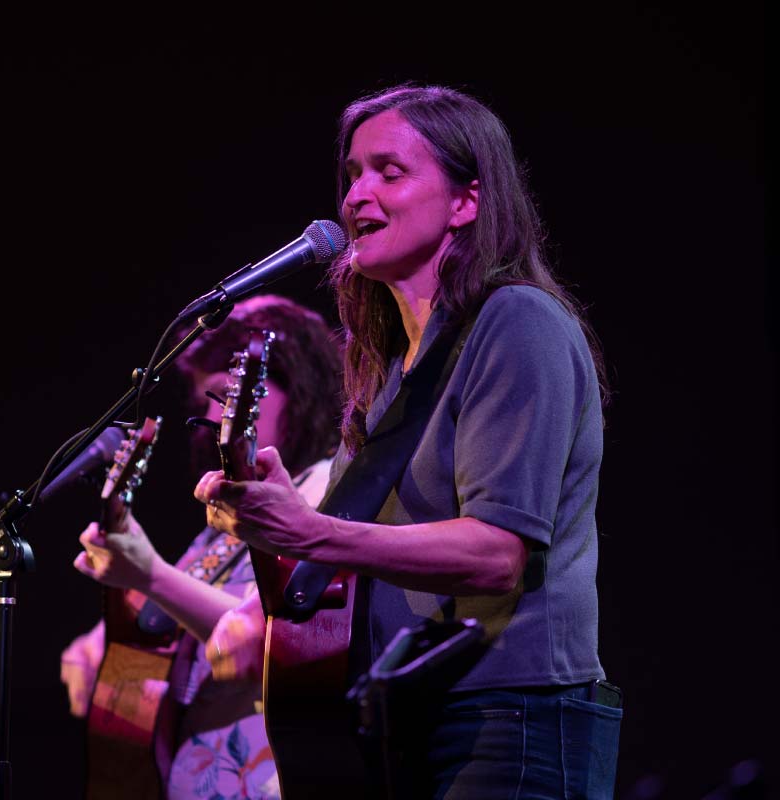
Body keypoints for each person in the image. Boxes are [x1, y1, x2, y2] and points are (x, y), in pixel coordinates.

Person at [197, 84, 622, 799]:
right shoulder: (396, 370)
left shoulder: (515, 322)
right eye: (353, 174)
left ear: (467, 201)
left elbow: (497, 555)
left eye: (389, 172)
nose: (358, 193)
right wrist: (272, 522)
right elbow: (332, 590)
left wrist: (313, 529)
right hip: (416, 712)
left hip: (513, 711)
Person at [60, 294, 342, 799]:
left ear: (296, 389)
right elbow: (165, 633)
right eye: (208, 405)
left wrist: (152, 576)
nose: (216, 422)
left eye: (227, 396)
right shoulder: (218, 529)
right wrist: (101, 644)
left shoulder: (323, 493)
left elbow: (281, 642)